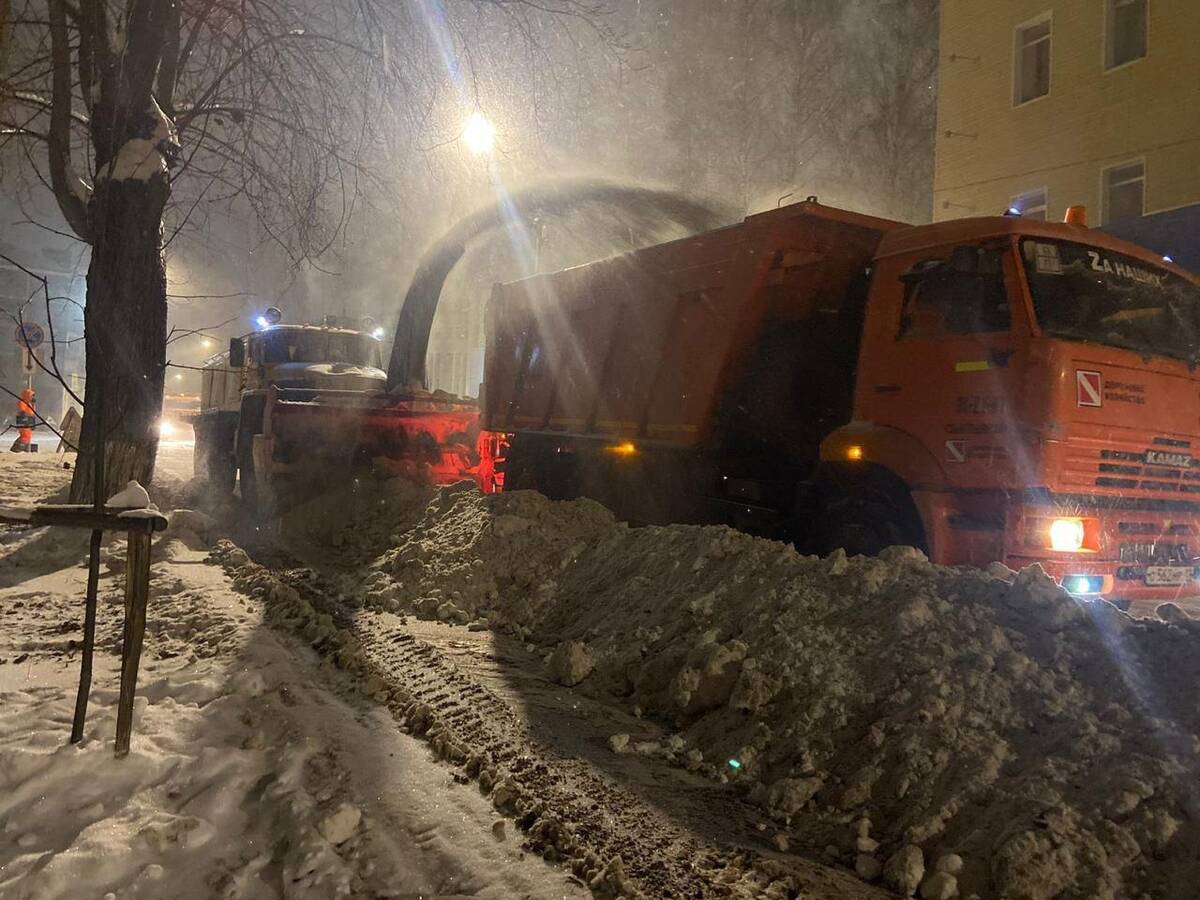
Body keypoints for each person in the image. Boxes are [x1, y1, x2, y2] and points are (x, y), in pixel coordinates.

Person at [10, 388, 35, 452]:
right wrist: (27, 421)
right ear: (27, 396)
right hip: (23, 421)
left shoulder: (29, 403)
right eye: (31, 395)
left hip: (28, 421)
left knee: (27, 435)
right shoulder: (22, 402)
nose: (32, 397)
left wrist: (32, 422)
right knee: (25, 436)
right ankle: (17, 448)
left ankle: (21, 448)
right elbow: (22, 412)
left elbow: (32, 413)